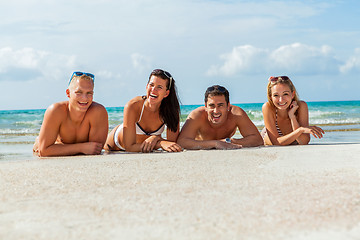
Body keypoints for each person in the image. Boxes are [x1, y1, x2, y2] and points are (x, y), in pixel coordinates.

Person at [104, 69, 182, 153]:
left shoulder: (170, 111)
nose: (153, 90)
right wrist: (159, 143)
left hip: (139, 148)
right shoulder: (133, 106)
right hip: (113, 146)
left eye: (159, 87)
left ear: (166, 93)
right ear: (146, 86)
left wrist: (155, 138)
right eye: (151, 85)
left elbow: (172, 144)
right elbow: (130, 147)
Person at [33, 71, 109, 157]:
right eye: (78, 92)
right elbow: (44, 152)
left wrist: (55, 148)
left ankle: (43, 140)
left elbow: (95, 149)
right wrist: (81, 148)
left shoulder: (98, 111)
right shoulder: (56, 111)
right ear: (68, 93)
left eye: (89, 93)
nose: (84, 98)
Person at [177, 85, 263, 150]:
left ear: (228, 106)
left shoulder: (236, 114)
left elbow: (258, 140)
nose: (216, 111)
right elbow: (182, 142)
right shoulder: (197, 115)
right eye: (211, 106)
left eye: (220, 105)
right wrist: (215, 143)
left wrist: (230, 141)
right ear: (206, 106)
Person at [262, 76, 324, 145]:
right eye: (276, 95)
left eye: (285, 94)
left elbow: (303, 142)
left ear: (292, 94)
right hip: (269, 140)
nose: (281, 100)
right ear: (271, 97)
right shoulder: (268, 107)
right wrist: (300, 130)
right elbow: (276, 143)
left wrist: (292, 116)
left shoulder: (301, 106)